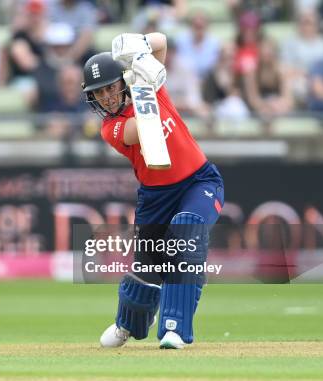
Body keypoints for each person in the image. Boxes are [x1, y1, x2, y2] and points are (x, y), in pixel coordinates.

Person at [82, 32, 224, 349]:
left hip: (198, 182)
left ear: (121, 82)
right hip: (156, 198)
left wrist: (139, 47)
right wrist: (145, 84)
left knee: (185, 233)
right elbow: (140, 130)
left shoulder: (150, 84)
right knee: (147, 272)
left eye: (109, 87)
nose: (106, 97)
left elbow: (161, 42)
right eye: (99, 93)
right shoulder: (112, 128)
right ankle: (126, 324)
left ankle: (175, 328)